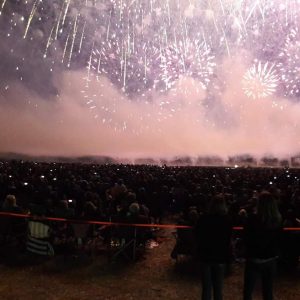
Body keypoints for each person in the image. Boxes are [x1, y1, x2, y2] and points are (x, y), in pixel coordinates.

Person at [243, 191, 282, 300]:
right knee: (268, 290)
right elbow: (280, 239)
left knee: (248, 291)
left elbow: (246, 237)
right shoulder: (277, 220)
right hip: (270, 258)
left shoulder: (252, 218)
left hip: (254, 258)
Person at [196, 194, 232, 300]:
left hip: (206, 256)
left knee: (207, 288)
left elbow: (197, 235)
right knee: (218, 288)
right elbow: (229, 238)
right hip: (220, 256)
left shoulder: (204, 218)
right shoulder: (227, 220)